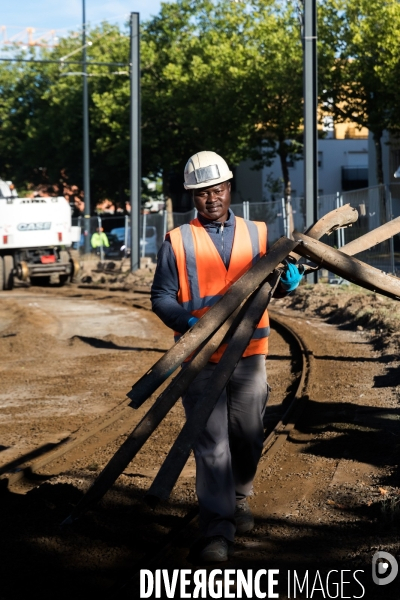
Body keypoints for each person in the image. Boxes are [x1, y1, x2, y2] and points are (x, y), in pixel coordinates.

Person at [151, 151, 302, 563]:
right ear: (192, 198)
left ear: (228, 188)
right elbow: (160, 296)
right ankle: (217, 530)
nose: (211, 199)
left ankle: (238, 497)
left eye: (217, 190)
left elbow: (275, 284)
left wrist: (289, 283)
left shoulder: (257, 233)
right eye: (202, 194)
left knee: (248, 434)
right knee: (211, 445)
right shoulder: (178, 241)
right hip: (200, 360)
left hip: (250, 355)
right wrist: (187, 320)